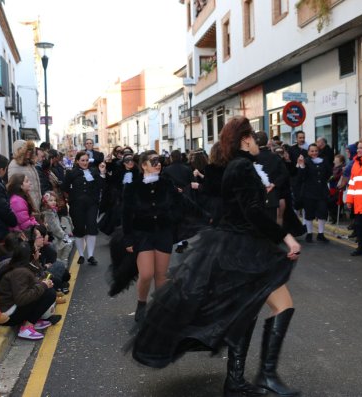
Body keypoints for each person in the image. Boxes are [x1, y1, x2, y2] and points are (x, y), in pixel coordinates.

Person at [131, 117, 301, 397]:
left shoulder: (233, 167)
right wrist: (286, 237)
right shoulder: (242, 166)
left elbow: (230, 203)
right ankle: (265, 376)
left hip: (239, 247)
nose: (261, 143)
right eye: (256, 139)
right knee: (281, 305)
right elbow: (253, 212)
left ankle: (238, 381)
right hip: (246, 250)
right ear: (246, 139)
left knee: (246, 312)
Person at [122, 150, 183, 322]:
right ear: (143, 165)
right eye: (154, 161)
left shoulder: (166, 184)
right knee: (147, 273)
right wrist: (128, 238)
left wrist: (205, 216)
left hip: (163, 233)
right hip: (142, 235)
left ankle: (159, 309)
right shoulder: (132, 187)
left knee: (161, 276)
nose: (158, 164)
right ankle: (142, 303)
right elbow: (126, 215)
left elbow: (182, 204)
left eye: (160, 161)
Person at [0, 239, 59, 340]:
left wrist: (43, 283)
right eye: (37, 250)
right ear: (31, 255)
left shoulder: (20, 267)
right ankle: (26, 327)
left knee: (46, 290)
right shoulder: (20, 272)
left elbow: (34, 281)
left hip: (11, 308)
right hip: (9, 315)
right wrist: (43, 285)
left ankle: (33, 320)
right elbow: (21, 299)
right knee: (49, 293)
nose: (39, 252)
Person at [61, 151, 106, 266]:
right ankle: (81, 255)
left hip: (92, 204)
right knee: (79, 228)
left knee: (91, 226)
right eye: (82, 160)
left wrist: (102, 173)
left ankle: (90, 255)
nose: (85, 162)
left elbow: (101, 185)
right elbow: (64, 187)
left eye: (86, 160)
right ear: (77, 161)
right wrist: (73, 195)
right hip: (77, 205)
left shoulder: (94, 171)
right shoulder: (71, 173)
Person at [296, 143, 332, 242]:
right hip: (309, 192)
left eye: (316, 151)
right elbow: (301, 177)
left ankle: (321, 234)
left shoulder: (324, 161)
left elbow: (329, 173)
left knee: (322, 212)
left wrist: (324, 180)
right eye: (312, 151)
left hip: (322, 191)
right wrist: (302, 165)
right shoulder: (305, 161)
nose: (314, 153)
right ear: (308, 152)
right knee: (309, 213)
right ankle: (309, 233)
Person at [8, 139, 42, 212]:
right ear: (19, 151)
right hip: (25, 206)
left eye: (30, 150)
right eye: (26, 150)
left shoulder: (29, 163)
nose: (29, 152)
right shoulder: (14, 165)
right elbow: (14, 187)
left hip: (35, 204)